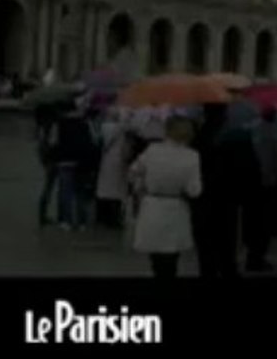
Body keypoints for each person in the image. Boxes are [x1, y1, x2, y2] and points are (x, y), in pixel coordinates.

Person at [129, 114, 202, 279]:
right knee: (172, 255)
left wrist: (141, 185)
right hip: (176, 207)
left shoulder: (152, 150)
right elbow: (194, 190)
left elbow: (133, 172)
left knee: (156, 255)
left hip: (152, 205)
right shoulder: (192, 156)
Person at [191, 102, 246, 278]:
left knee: (205, 245)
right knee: (227, 242)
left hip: (202, 197)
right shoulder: (235, 136)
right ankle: (228, 269)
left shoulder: (196, 138)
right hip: (227, 197)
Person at [243, 107, 277, 272]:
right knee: (264, 222)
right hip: (269, 181)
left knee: (254, 220)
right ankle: (257, 257)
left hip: (252, 180)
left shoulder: (251, 128)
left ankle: (253, 255)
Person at [54, 104, 97, 231]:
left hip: (64, 162)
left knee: (65, 193)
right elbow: (93, 141)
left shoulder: (59, 124)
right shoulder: (85, 123)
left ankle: (66, 221)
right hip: (81, 163)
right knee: (81, 193)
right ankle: (82, 222)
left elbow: (54, 142)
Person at [95, 108, 129, 228]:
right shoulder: (120, 128)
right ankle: (115, 219)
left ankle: (102, 217)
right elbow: (124, 148)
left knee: (104, 189)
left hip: (105, 159)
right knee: (116, 190)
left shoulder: (102, 127)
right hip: (117, 160)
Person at [35, 103, 61, 227]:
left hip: (45, 159)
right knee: (51, 187)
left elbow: (40, 145)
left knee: (48, 187)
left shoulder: (41, 127)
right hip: (53, 159)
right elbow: (54, 143)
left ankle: (42, 215)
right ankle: (44, 216)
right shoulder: (53, 126)